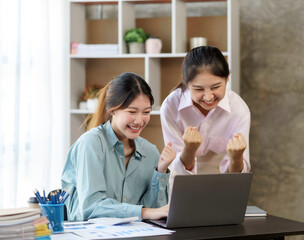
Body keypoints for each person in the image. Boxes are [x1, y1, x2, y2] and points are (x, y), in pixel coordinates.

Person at [61, 72, 176, 221]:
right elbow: (92, 207)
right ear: (112, 110)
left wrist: (161, 171)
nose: (139, 120)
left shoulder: (150, 152)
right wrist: (143, 213)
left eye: (146, 112)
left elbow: (156, 212)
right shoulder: (90, 144)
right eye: (132, 112)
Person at [160, 46, 251, 185]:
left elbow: (237, 177)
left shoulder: (239, 110)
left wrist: (236, 157)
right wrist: (189, 149)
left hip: (224, 179)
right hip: (182, 178)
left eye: (215, 87)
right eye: (198, 89)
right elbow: (176, 168)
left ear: (227, 78)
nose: (208, 97)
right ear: (186, 82)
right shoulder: (170, 107)